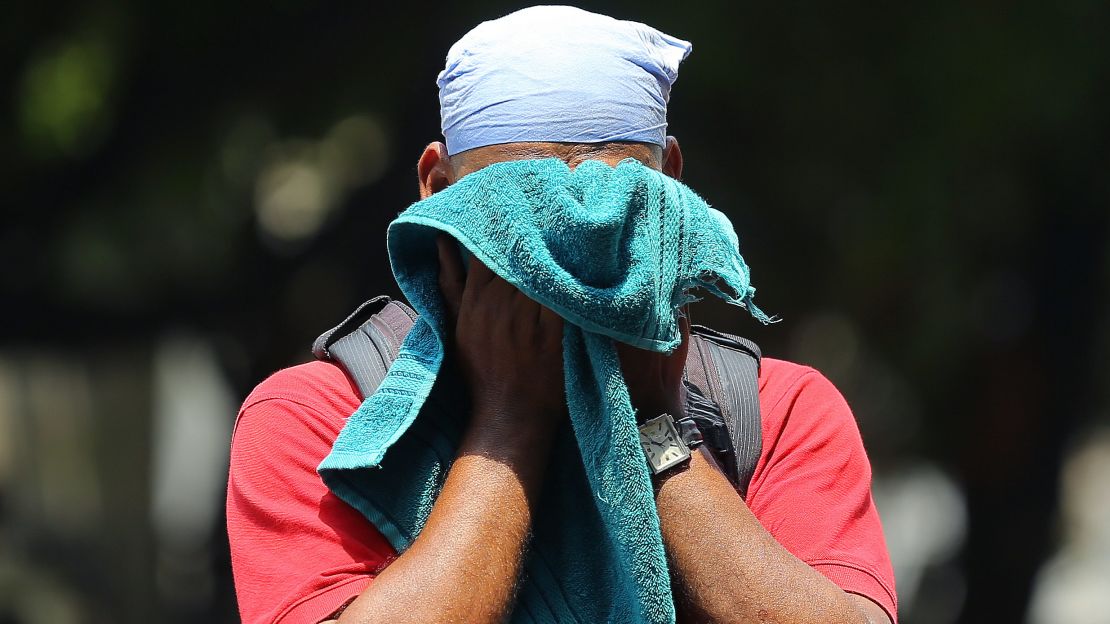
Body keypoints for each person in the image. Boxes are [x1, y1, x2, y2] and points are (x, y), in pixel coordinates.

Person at [227, 7, 897, 624]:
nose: (563, 259)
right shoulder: (318, 421)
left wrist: (652, 426)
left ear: (670, 182)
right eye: (522, 214)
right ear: (437, 189)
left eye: (606, 208)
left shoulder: (775, 412)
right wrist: (508, 420)